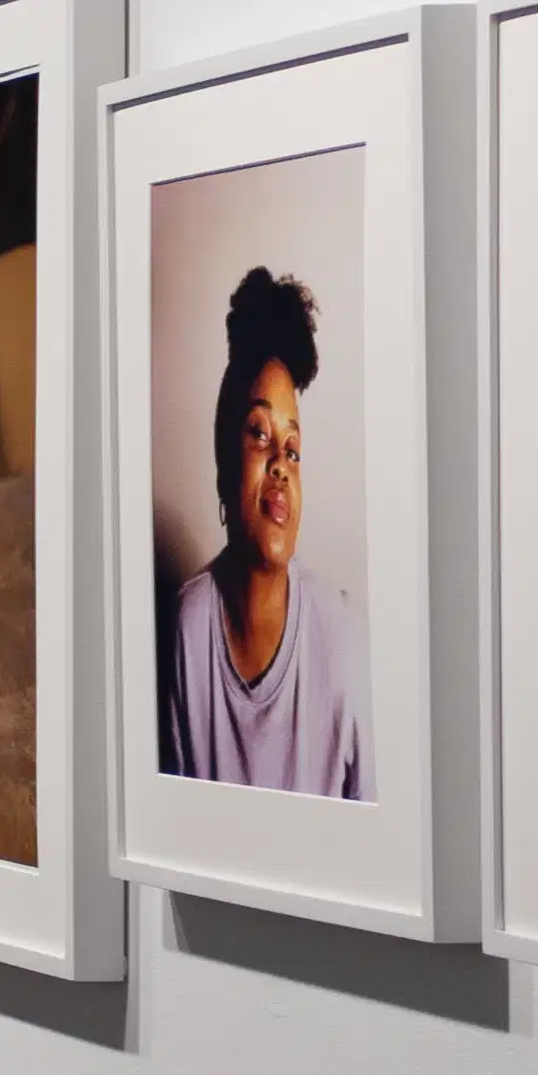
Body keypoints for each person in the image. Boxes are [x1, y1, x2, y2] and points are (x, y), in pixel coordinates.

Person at [155, 267, 370, 797]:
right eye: (259, 435)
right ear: (226, 470)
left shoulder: (341, 638)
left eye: (293, 450)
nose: (280, 463)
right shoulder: (188, 626)